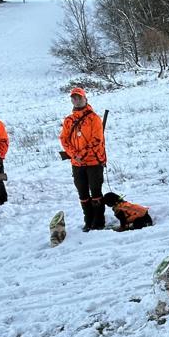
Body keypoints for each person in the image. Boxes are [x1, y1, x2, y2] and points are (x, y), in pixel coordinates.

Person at [59, 87, 107, 231]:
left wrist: (82, 155)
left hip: (94, 161)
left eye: (79, 97)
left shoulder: (94, 118)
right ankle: (88, 220)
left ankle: (99, 222)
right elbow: (64, 139)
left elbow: (97, 139)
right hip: (77, 163)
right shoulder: (69, 120)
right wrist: (74, 155)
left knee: (96, 191)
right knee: (82, 193)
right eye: (73, 98)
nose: (76, 100)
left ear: (85, 99)